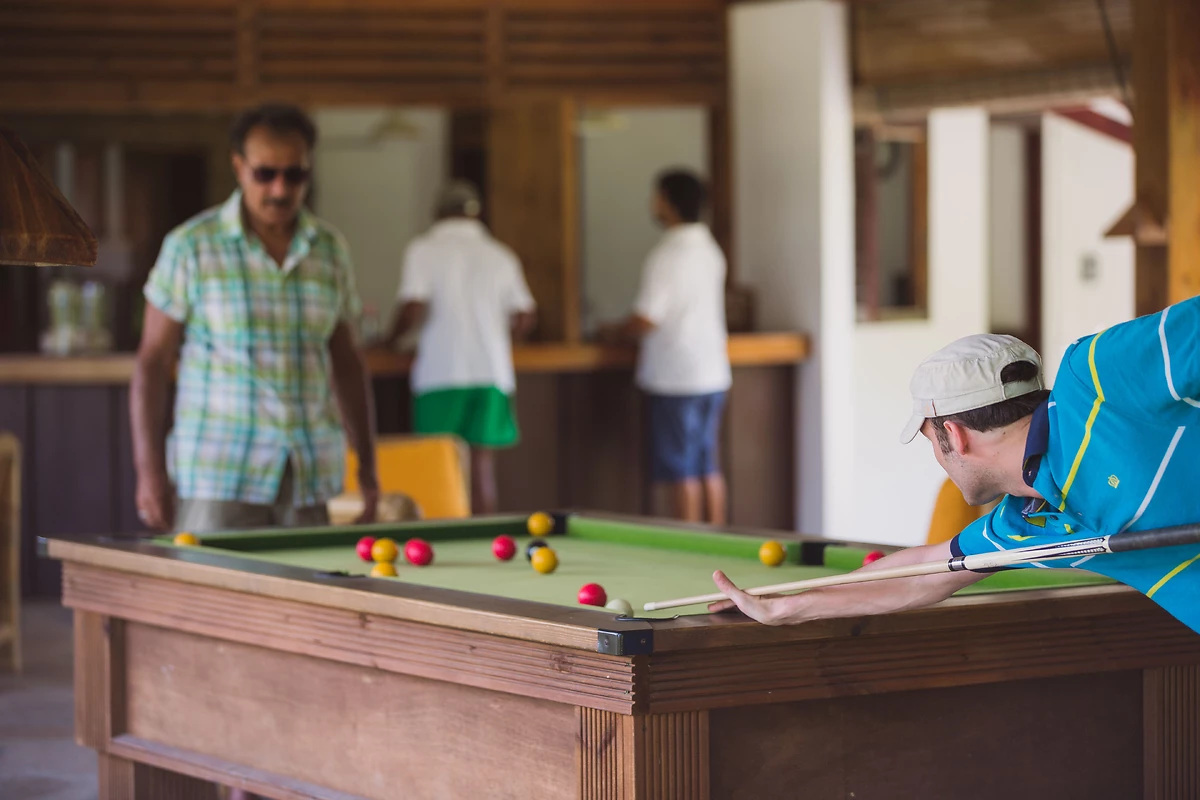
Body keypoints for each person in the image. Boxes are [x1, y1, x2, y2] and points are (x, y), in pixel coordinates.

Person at [711, 297, 1200, 635]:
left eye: (929, 439)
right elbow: (927, 570)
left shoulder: (1095, 377)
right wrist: (788, 606)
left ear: (955, 436)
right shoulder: (1027, 524)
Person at [132, 102, 379, 539]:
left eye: (295, 174)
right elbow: (151, 362)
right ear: (239, 166)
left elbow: (346, 361)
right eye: (266, 173)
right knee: (210, 607)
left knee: (308, 607)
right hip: (219, 475)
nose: (281, 189)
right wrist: (149, 473)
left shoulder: (330, 249)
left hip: (309, 475)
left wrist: (368, 468)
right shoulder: (191, 246)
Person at [374, 181, 536, 514]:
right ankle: (489, 544)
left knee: (442, 467)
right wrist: (498, 336)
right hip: (491, 372)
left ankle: (443, 546)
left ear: (438, 213)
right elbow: (525, 315)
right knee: (482, 467)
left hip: (441, 372)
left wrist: (388, 342)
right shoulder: (500, 254)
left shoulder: (424, 249)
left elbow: (413, 307)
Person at [602, 169, 731, 524]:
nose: (652, 203)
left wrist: (611, 331)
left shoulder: (668, 255)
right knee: (708, 465)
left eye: (656, 196)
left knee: (680, 470)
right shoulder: (710, 249)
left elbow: (647, 319)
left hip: (677, 375)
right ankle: (721, 539)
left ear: (669, 201)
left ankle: (692, 546)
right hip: (712, 371)